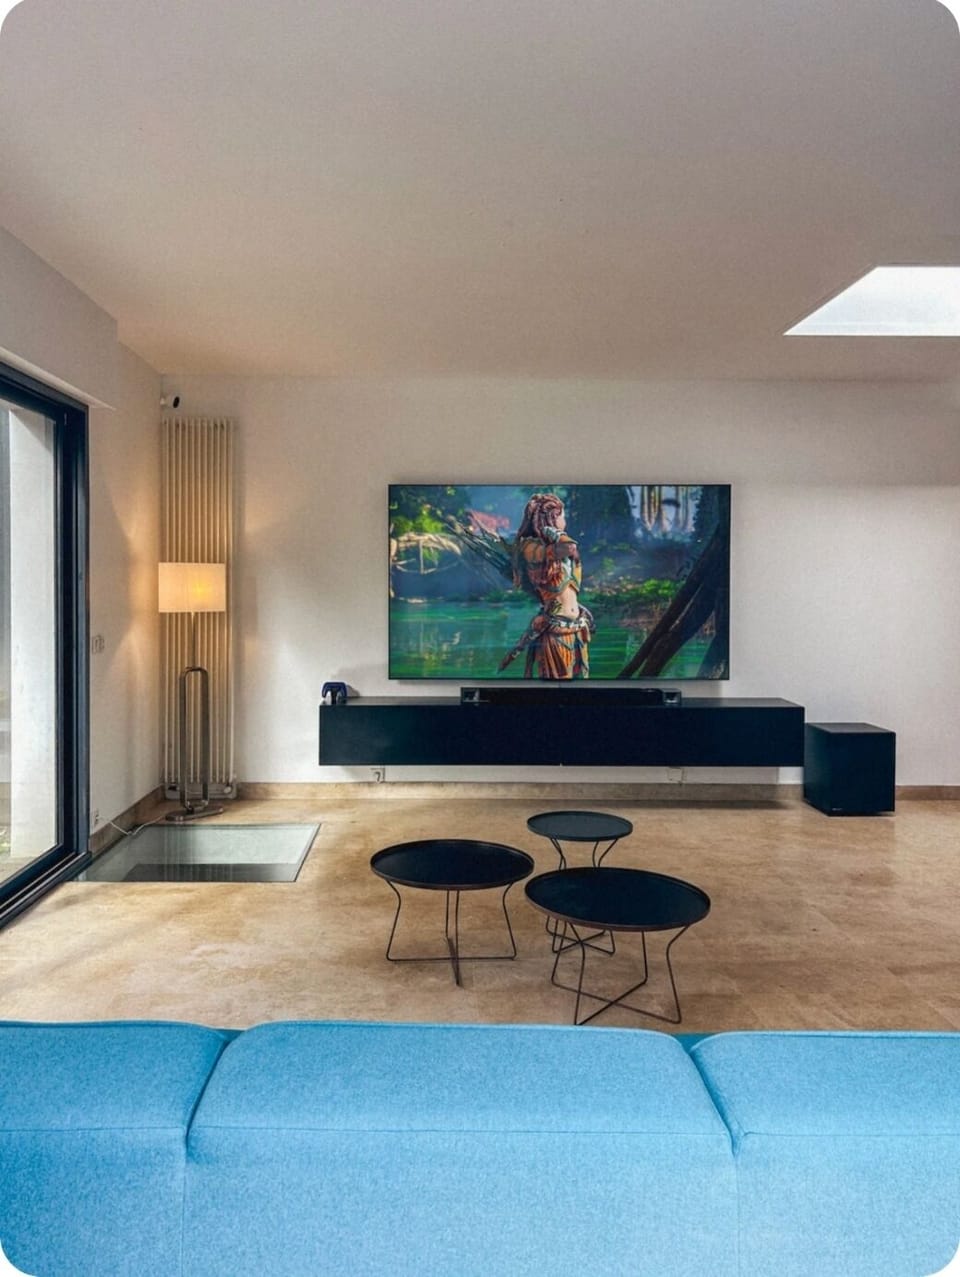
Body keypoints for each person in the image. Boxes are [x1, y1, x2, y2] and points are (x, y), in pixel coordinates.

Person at [499, 492, 594, 679]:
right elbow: (569, 547)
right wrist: (557, 534)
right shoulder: (531, 547)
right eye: (562, 516)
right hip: (555, 632)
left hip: (577, 630)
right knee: (557, 687)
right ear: (552, 518)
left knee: (580, 690)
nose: (565, 521)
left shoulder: (554, 544)